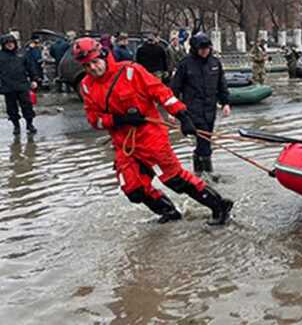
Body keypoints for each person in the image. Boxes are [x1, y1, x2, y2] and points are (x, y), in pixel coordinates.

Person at [73, 37, 233, 225]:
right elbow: (94, 120)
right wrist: (118, 119)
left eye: (94, 62)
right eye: (87, 65)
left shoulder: (131, 71)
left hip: (151, 138)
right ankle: (169, 212)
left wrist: (182, 115)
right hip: (125, 145)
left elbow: (161, 93)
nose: (92, 68)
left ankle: (219, 205)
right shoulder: (86, 86)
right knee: (132, 189)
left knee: (174, 179)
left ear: (103, 55)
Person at [171, 33, 230, 174]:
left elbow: (222, 84)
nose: (205, 51)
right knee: (204, 140)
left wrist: (226, 103)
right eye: (201, 49)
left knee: (206, 138)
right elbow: (175, 88)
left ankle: (198, 168)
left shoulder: (215, 63)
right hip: (193, 109)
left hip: (210, 108)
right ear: (195, 48)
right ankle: (207, 174)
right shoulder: (185, 64)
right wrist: (172, 111)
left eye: (207, 48)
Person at [0, 34, 39, 135]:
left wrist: (34, 79)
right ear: (3, 45)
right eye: (7, 43)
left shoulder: (22, 53)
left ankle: (29, 124)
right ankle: (16, 126)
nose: (10, 45)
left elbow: (31, 67)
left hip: (22, 85)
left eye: (11, 43)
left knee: (27, 106)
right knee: (12, 109)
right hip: (8, 87)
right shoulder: (1, 56)